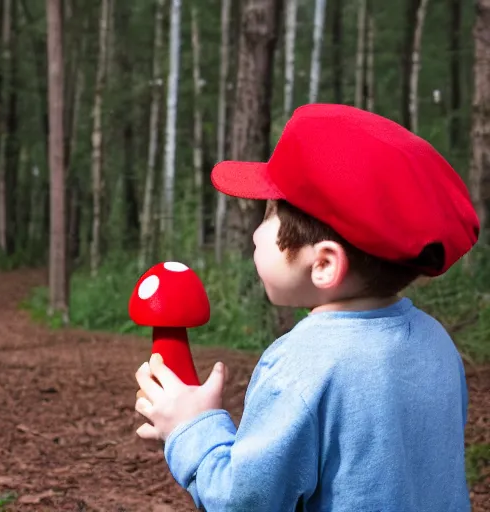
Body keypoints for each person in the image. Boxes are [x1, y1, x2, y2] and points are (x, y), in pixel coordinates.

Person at [134, 104, 479, 511]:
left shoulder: (301, 368)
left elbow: (244, 501)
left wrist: (192, 428)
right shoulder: (435, 341)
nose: (255, 236)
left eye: (269, 217)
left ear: (324, 264)